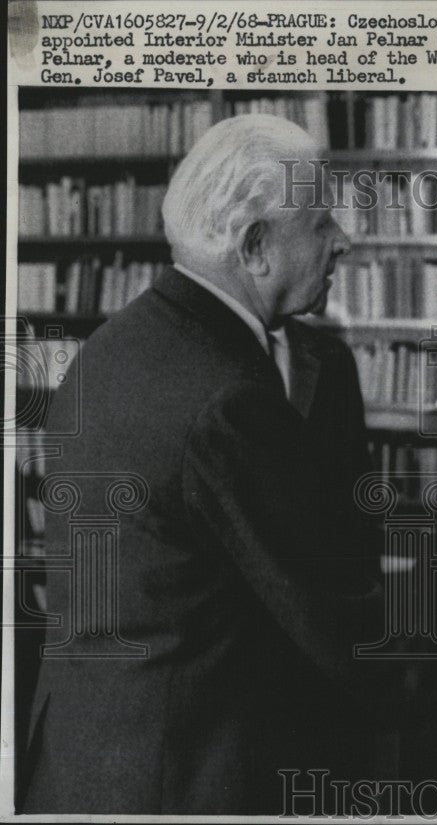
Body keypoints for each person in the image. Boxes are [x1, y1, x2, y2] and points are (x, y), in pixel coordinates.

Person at [21, 115, 396, 814]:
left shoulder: (106, 348)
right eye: (320, 224)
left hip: (82, 765)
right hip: (183, 773)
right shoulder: (231, 397)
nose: (344, 239)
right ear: (255, 246)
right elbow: (338, 618)